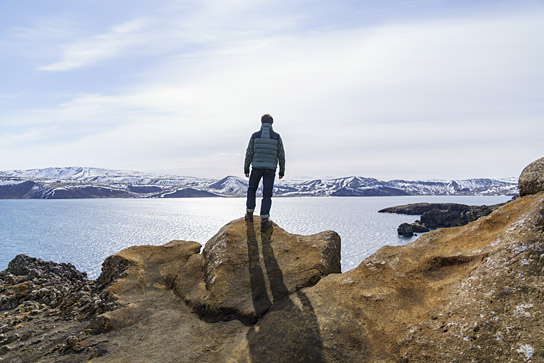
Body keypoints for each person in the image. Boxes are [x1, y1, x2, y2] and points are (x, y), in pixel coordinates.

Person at [244, 114, 286, 231]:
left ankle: (249, 215)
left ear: (261, 122)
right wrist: (281, 170)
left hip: (256, 167)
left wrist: (246, 168)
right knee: (267, 193)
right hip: (270, 169)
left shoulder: (255, 136)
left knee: (252, 189)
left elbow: (249, 153)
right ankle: (264, 220)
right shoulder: (277, 137)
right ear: (272, 123)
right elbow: (281, 154)